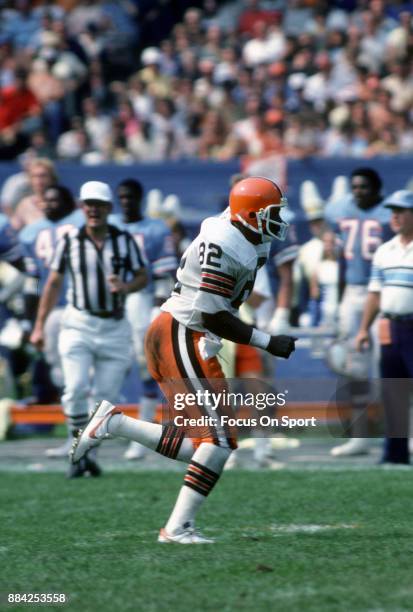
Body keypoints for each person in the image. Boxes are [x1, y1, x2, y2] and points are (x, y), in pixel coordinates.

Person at [71, 176, 297, 543]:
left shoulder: (242, 231)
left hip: (179, 332)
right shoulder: (229, 244)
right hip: (182, 332)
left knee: (205, 442)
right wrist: (267, 341)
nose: (279, 219)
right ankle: (176, 528)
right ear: (251, 215)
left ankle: (115, 425)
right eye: (272, 213)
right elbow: (211, 314)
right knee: (220, 440)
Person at [30, 181, 147, 477]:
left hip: (115, 325)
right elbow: (53, 283)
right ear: (82, 207)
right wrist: (39, 325)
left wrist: (127, 286)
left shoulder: (124, 240)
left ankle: (86, 455)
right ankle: (78, 451)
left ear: (108, 208)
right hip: (79, 322)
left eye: (99, 204)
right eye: (88, 204)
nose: (93, 209)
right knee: (75, 388)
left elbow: (143, 276)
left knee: (106, 398)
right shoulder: (69, 241)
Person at [325, 167, 393, 457]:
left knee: (392, 367)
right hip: (353, 294)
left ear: (378, 189)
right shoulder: (340, 210)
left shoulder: (392, 213)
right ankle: (361, 436)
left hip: (385, 293)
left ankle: (402, 435)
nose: (358, 192)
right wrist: (338, 301)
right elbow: (340, 260)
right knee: (355, 370)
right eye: (355, 187)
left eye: (364, 187)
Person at [110, 178, 178, 460]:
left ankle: (143, 431)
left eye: (130, 197)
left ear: (139, 198)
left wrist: (158, 308)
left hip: (141, 300)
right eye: (121, 197)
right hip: (107, 302)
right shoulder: (110, 225)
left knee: (144, 365)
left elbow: (164, 273)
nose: (125, 202)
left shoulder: (155, 229)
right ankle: (96, 426)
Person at [20, 184, 85, 449]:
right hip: (54, 309)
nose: (48, 204)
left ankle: (91, 429)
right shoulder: (31, 234)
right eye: (44, 200)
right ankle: (77, 432)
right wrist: (31, 320)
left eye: (54, 199)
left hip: (85, 306)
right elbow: (34, 282)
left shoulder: (82, 222)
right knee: (62, 372)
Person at [355, 190, 413, 464]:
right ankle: (395, 455)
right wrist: (364, 329)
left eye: (401, 211)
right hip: (390, 326)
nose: (395, 217)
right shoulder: (384, 251)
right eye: (393, 212)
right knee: (393, 393)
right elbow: (375, 293)